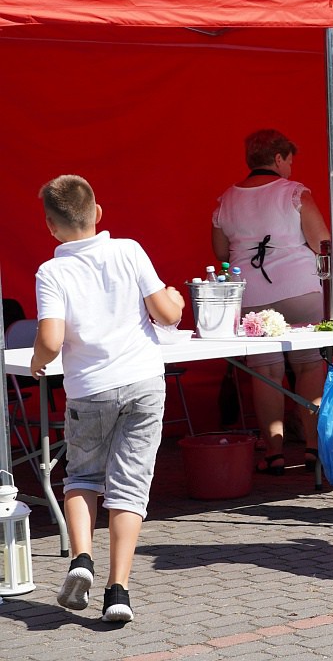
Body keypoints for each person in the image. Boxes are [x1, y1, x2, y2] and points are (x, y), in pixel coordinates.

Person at [31, 175, 184, 622]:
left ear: (50, 226)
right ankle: (119, 592)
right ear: (97, 212)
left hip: (89, 389)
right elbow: (168, 314)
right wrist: (172, 298)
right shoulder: (129, 250)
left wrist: (40, 361)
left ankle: (81, 560)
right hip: (142, 382)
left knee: (82, 477)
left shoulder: (52, 271)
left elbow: (52, 338)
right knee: (130, 486)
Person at [213, 129, 331, 475]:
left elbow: (221, 254)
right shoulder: (294, 193)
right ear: (278, 158)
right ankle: (312, 447)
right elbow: (321, 242)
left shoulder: (226, 200)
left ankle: (274, 451)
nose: (292, 167)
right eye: (290, 159)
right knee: (310, 365)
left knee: (266, 372)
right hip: (300, 289)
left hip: (251, 296)